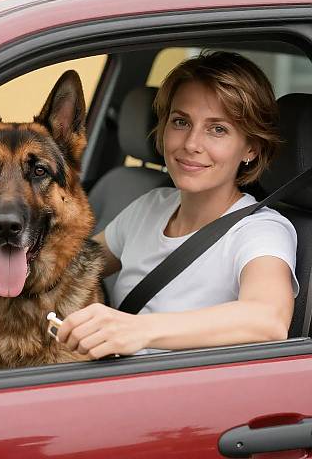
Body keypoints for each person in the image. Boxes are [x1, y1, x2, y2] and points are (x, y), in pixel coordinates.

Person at [56, 51, 298, 359]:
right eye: (181, 122)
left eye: (218, 129)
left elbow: (268, 320)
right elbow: (68, 269)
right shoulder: (149, 206)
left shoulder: (260, 230)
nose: (191, 144)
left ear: (250, 147)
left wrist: (139, 330)